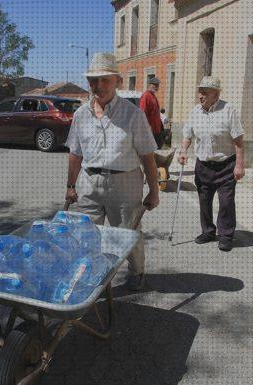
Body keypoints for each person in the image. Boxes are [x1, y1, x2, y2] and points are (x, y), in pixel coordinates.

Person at [65, 53, 160, 290]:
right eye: (93, 81)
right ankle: (90, 275)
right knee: (85, 234)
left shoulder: (132, 114)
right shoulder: (80, 115)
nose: (99, 86)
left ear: (117, 81)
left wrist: (154, 190)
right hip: (89, 181)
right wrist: (70, 186)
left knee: (128, 233)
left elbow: (147, 155)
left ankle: (137, 272)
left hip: (125, 182)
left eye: (105, 80)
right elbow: (75, 153)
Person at [178, 76, 245, 252]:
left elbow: (238, 140)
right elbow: (187, 134)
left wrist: (239, 165)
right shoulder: (195, 111)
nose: (200, 95)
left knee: (226, 203)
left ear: (215, 94)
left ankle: (225, 235)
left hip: (225, 165)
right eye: (200, 91)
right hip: (204, 165)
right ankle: (208, 231)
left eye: (205, 92)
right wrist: (183, 150)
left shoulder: (228, 109)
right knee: (204, 201)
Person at [139, 77, 165, 149]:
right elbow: (142, 113)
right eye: (155, 85)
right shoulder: (146, 96)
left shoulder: (153, 95)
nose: (157, 87)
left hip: (156, 130)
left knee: (156, 150)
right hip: (150, 130)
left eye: (157, 85)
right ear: (150, 85)